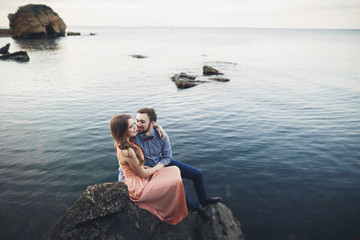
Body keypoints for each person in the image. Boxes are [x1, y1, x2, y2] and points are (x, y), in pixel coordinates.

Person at [118, 107, 222, 219]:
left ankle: (204, 200)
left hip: (163, 163)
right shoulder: (134, 136)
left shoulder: (162, 135)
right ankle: (198, 209)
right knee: (177, 186)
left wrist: (161, 165)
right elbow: (123, 153)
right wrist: (123, 180)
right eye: (137, 121)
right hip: (148, 170)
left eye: (142, 121)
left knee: (197, 174)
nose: (138, 125)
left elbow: (167, 157)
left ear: (152, 123)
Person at [110, 114, 188, 225]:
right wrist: (158, 167)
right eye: (131, 126)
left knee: (174, 170)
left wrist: (156, 126)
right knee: (175, 180)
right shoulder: (127, 150)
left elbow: (145, 128)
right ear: (122, 131)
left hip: (140, 175)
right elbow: (142, 174)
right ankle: (170, 211)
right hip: (138, 186)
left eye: (133, 124)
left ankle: (175, 203)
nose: (135, 127)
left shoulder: (124, 140)